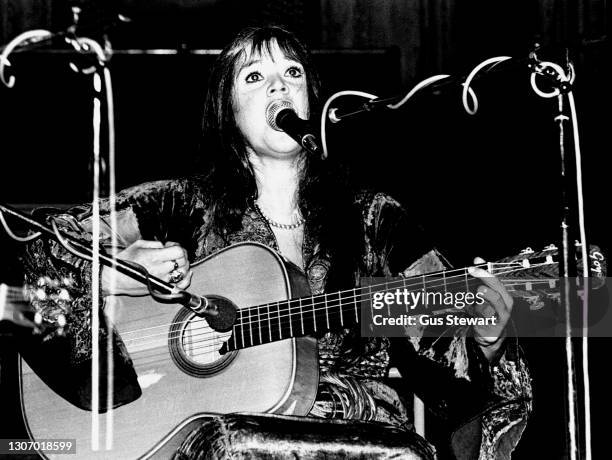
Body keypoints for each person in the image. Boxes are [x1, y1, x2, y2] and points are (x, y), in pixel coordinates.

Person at [21, 25, 531, 459]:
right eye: (254, 76)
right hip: (205, 435)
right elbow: (45, 254)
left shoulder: (373, 220)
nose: (279, 88)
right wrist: (118, 272)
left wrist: (487, 340)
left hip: (355, 435)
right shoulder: (175, 207)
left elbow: (438, 349)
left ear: (312, 96)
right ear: (228, 109)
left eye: (293, 73)